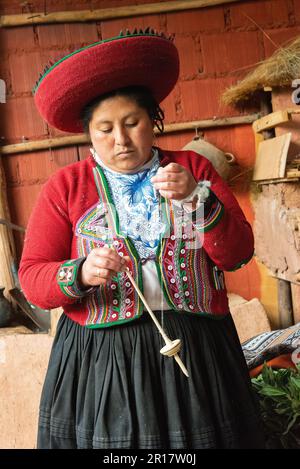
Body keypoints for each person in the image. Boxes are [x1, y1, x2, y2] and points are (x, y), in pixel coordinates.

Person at [19, 29, 265, 449]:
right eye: (104, 130)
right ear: (88, 135)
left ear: (153, 119)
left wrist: (196, 201)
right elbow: (33, 279)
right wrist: (79, 272)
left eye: (132, 123)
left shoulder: (192, 169)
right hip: (103, 360)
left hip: (199, 347)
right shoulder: (66, 187)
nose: (121, 140)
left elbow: (238, 253)